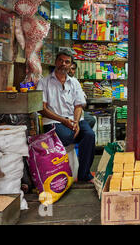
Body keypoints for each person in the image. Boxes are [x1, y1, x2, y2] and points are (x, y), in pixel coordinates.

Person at [37, 51, 95, 182]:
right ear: (56, 62)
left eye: (67, 62)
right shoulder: (44, 82)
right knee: (67, 136)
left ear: (70, 66)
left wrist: (75, 122)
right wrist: (63, 120)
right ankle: (64, 173)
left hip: (73, 120)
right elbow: (42, 108)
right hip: (54, 121)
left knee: (89, 135)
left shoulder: (74, 83)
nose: (63, 64)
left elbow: (78, 105)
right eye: (61, 61)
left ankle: (84, 175)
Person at [69, 61, 97, 129]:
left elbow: (82, 96)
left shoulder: (75, 81)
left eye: (73, 69)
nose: (70, 71)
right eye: (69, 68)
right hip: (66, 112)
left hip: (76, 110)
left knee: (91, 120)